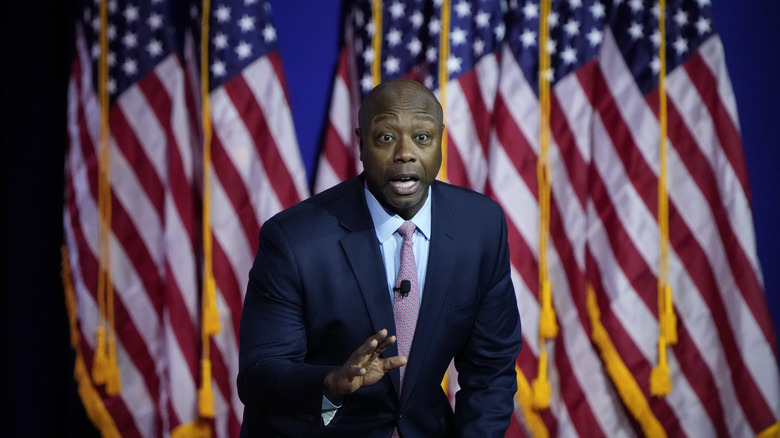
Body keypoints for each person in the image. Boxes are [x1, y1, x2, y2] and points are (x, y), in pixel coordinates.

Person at [237, 79, 522, 437]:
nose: (405, 153)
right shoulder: (295, 240)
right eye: (386, 138)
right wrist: (331, 382)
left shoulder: (480, 226)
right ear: (360, 142)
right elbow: (258, 376)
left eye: (422, 137)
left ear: (440, 140)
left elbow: (491, 368)